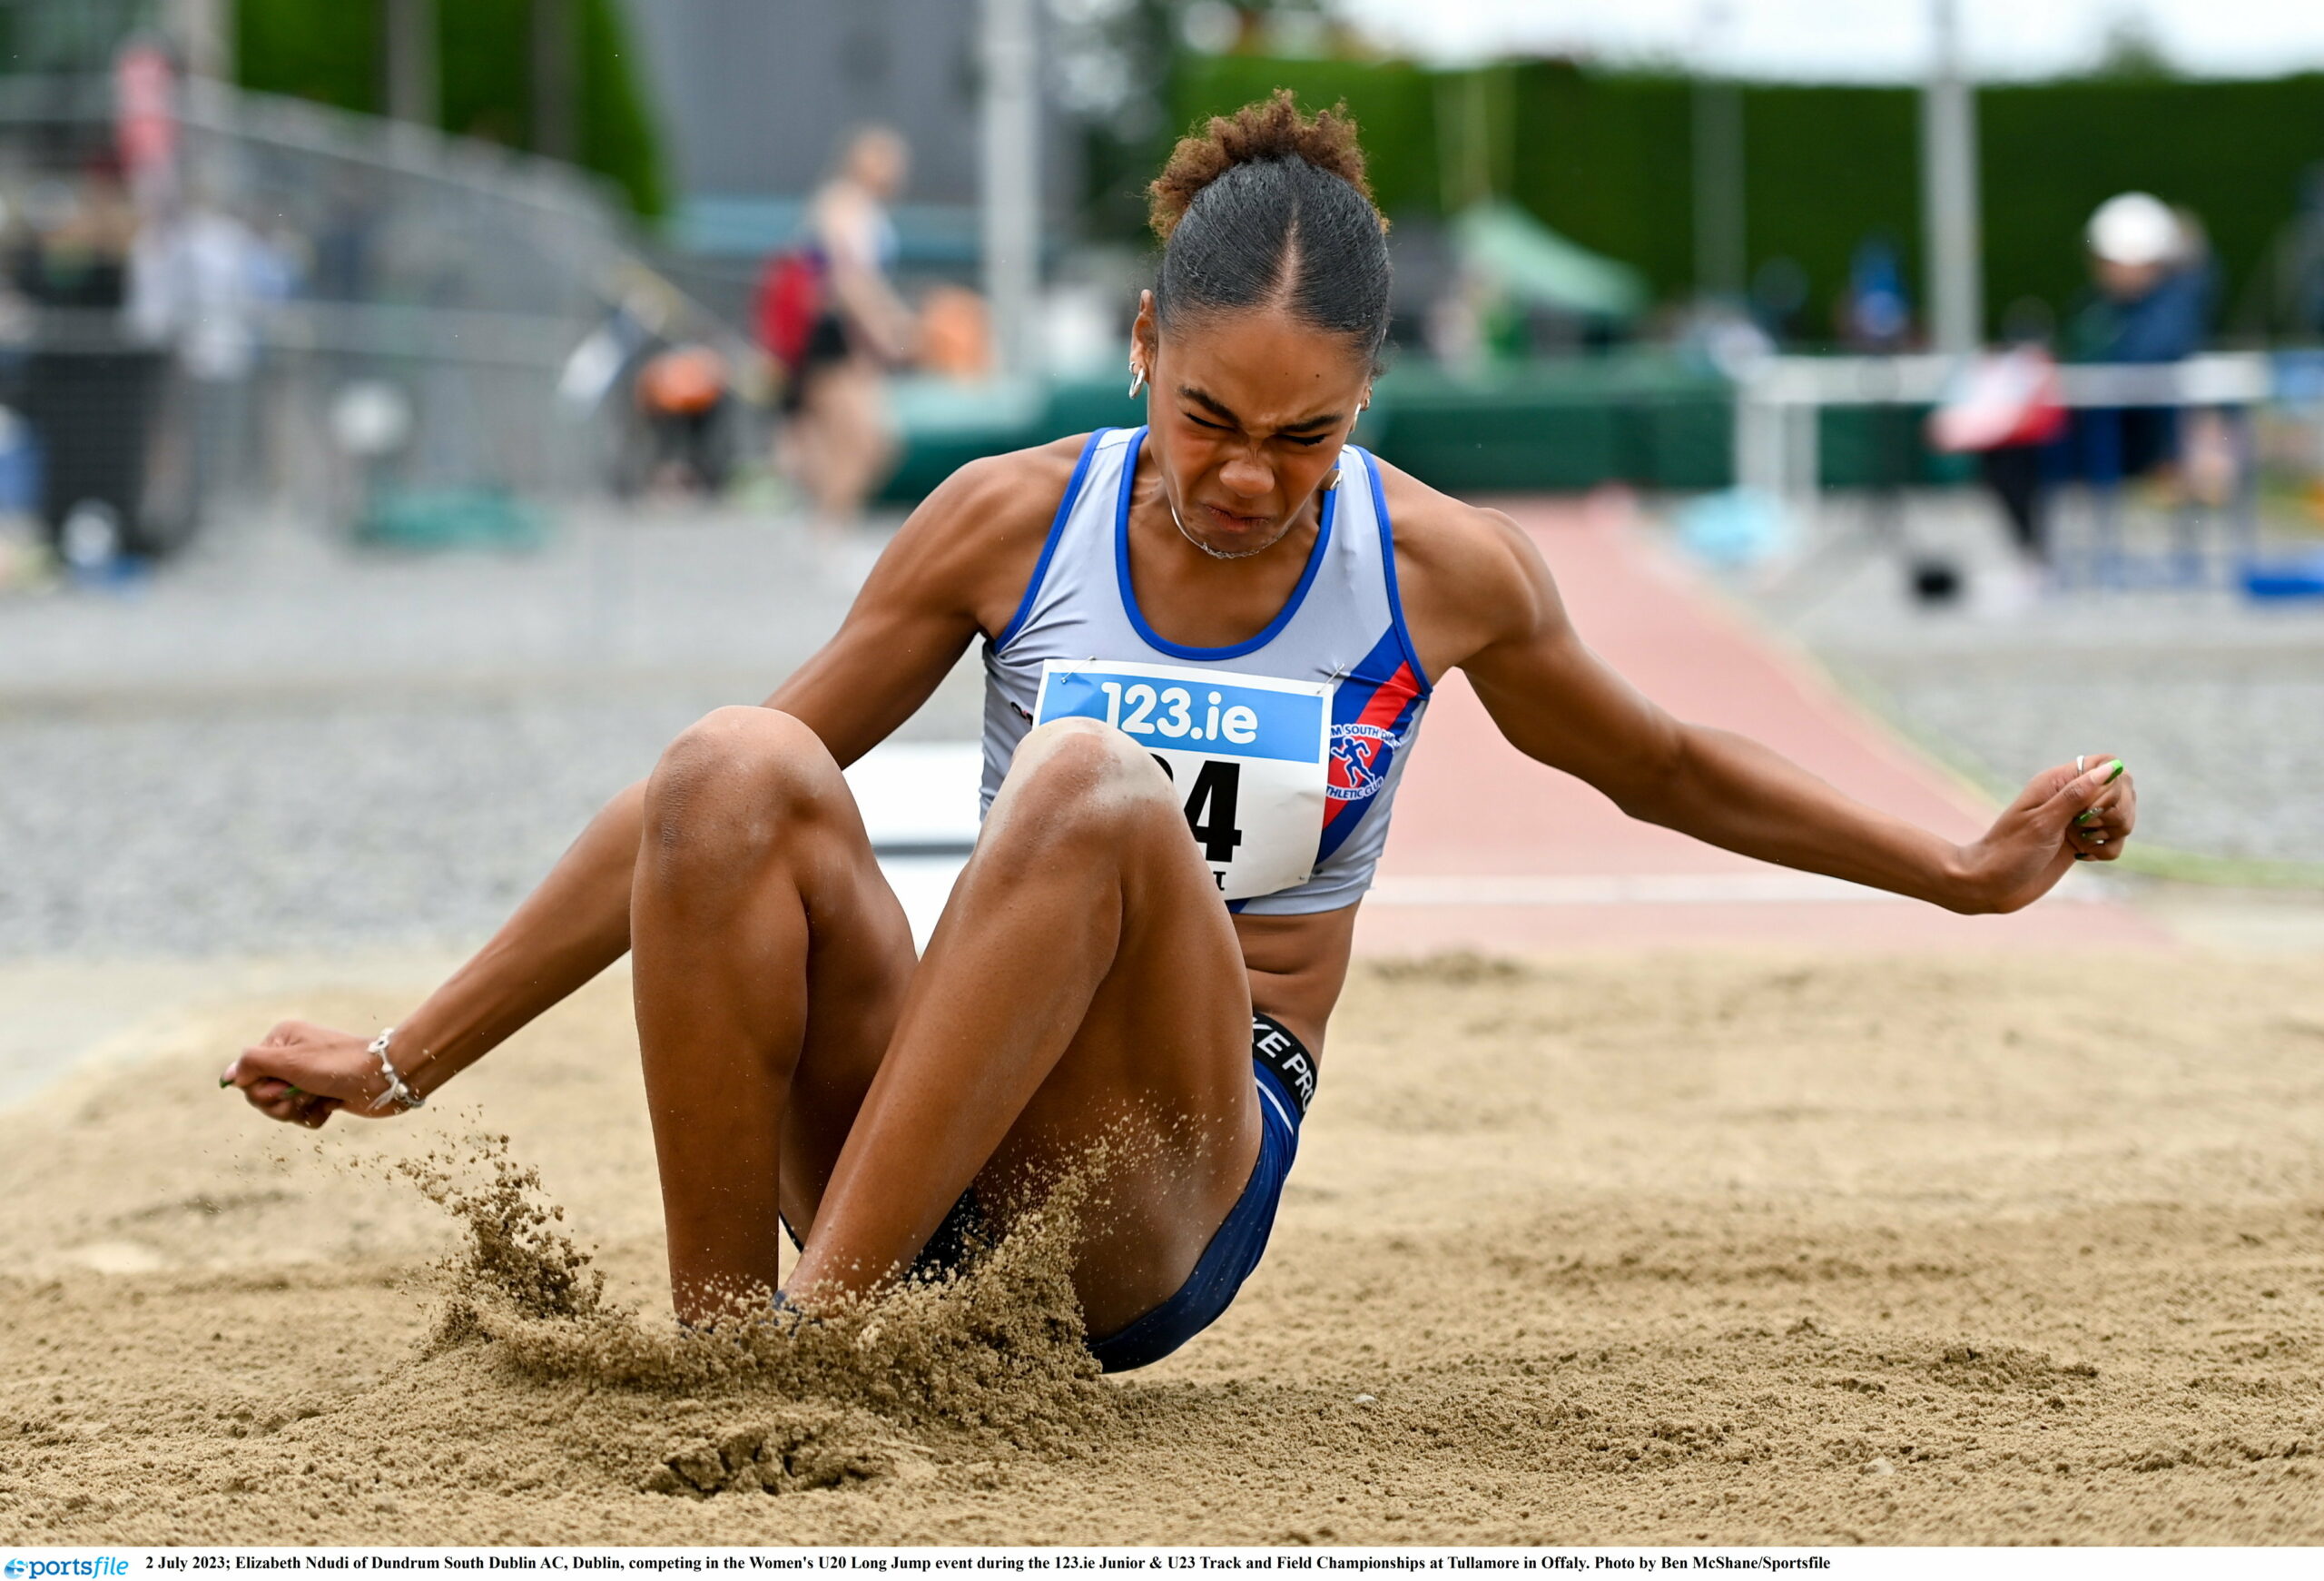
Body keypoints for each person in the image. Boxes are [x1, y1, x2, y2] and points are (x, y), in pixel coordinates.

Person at [223, 95, 2139, 1373]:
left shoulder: (1434, 572)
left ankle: (816, 1339)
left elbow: (1662, 765)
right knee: (734, 760)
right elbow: (691, 826)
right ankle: (729, 1367)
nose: (1246, 478)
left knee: (1081, 785)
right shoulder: (1004, 518)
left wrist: (1962, 870)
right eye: (1208, 417)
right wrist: (406, 1058)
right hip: (918, 1122)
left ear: (1368, 400)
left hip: (1152, 1187)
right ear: (1143, 340)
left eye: (1304, 438)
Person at [759, 125, 919, 533]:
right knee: (864, 442)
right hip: (831, 337)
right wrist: (885, 328)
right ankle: (827, 528)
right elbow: (847, 278)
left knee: (848, 442)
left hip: (846, 338)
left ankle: (827, 528)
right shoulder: (843, 204)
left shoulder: (864, 209)